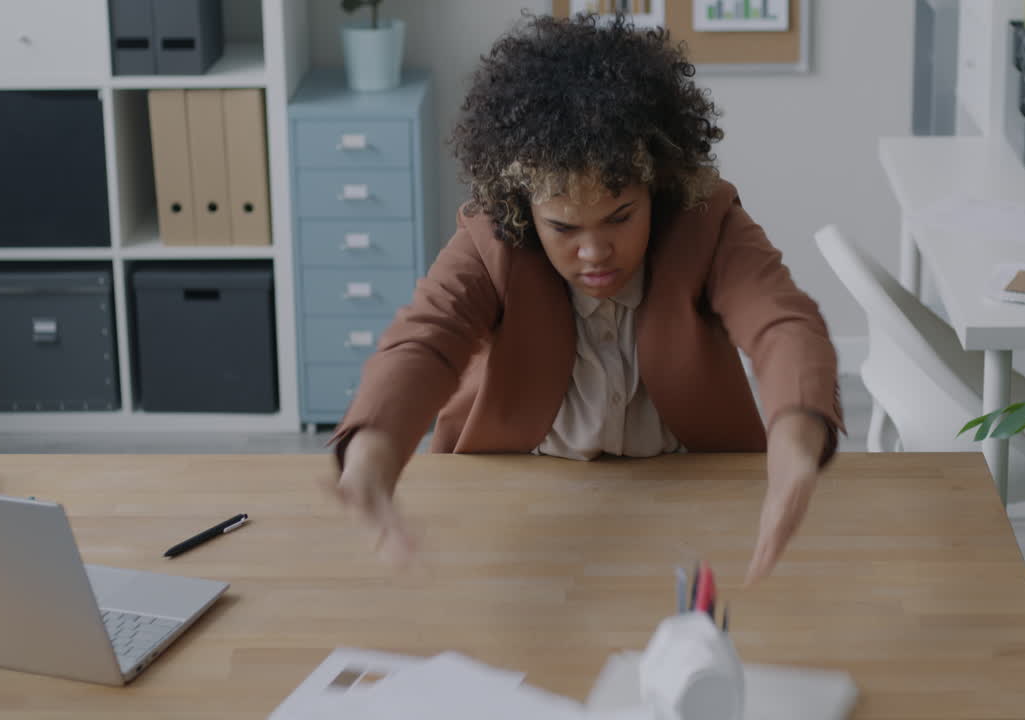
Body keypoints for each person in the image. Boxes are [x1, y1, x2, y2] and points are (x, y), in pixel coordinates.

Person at [326, 12, 843, 585]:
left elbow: (782, 323)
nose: (595, 252)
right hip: (520, 493)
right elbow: (425, 341)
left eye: (620, 217)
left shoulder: (707, 222)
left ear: (657, 185)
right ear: (525, 211)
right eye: (564, 228)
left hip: (687, 489)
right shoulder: (490, 242)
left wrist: (795, 439)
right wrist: (373, 450)